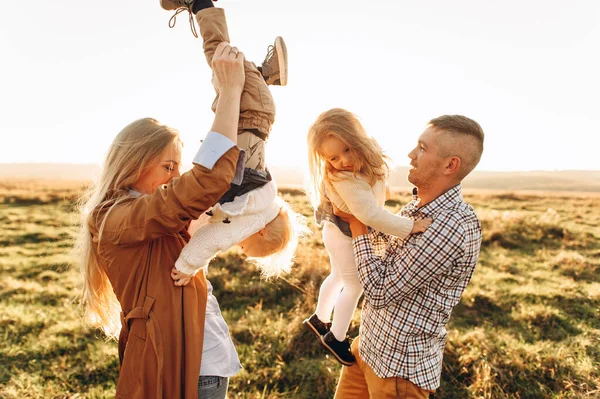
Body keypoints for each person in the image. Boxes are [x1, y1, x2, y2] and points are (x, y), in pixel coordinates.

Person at [76, 35, 246, 397]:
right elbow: (205, 181)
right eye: (168, 167)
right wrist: (230, 93)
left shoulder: (151, 216)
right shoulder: (117, 218)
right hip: (180, 368)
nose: (175, 178)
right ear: (133, 164)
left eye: (177, 167)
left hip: (204, 364)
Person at [333, 115, 485, 399]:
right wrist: (355, 204)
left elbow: (378, 291)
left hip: (398, 372)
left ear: (450, 165)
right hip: (367, 349)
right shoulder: (415, 209)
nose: (411, 155)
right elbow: (383, 254)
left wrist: (357, 224)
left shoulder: (451, 225)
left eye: (422, 148)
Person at [165, 0, 305, 286]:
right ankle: (200, 4)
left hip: (256, 114)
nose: (240, 249)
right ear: (262, 232)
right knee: (218, 52)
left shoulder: (257, 201)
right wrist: (186, 266)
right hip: (247, 112)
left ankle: (267, 75)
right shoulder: (248, 220)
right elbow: (213, 239)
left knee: (227, 65)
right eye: (246, 249)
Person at [303, 108, 432, 366]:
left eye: (347, 150)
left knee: (339, 276)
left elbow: (375, 179)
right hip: (342, 233)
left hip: (336, 230)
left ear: (358, 139)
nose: (342, 161)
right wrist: (410, 226)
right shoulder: (343, 177)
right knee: (355, 285)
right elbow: (370, 214)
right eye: (333, 158)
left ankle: (319, 318)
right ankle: (336, 337)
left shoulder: (367, 153)